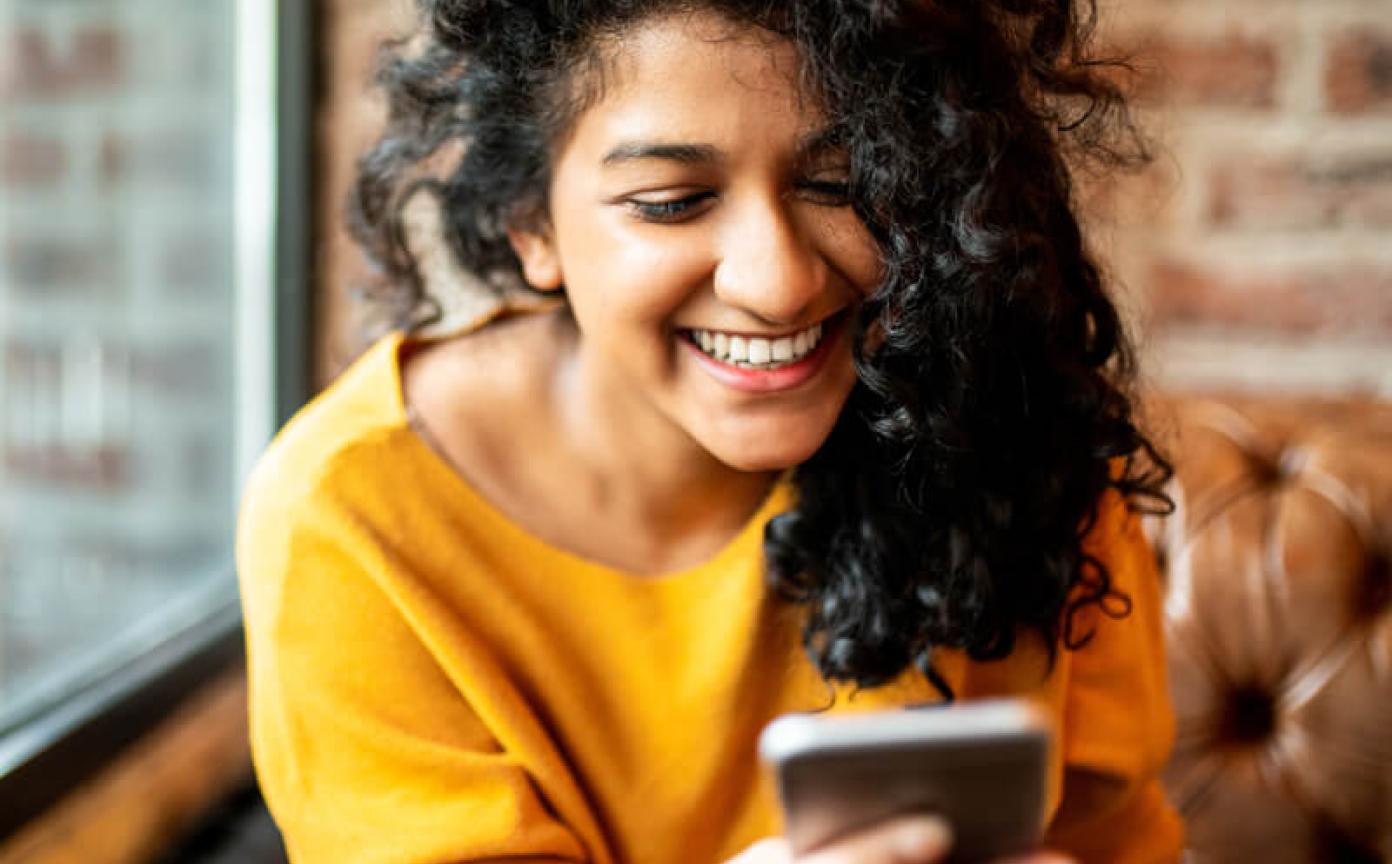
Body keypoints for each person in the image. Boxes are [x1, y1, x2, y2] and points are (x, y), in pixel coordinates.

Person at [236, 1, 1183, 862]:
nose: (775, 283)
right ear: (532, 223)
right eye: (671, 203)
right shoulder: (353, 517)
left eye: (843, 182)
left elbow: (1116, 834)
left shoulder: (1016, 432)